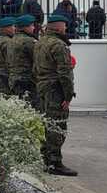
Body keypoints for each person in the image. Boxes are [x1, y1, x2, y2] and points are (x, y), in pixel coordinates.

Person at [33, 14, 78, 176]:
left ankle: (46, 158)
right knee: (57, 125)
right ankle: (55, 163)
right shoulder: (59, 45)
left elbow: (35, 69)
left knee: (46, 123)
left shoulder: (40, 42)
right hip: (55, 90)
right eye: (65, 26)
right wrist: (68, 96)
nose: (66, 29)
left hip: (43, 87)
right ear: (59, 27)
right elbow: (64, 73)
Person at [7, 15, 38, 106]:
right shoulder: (28, 41)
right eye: (32, 25)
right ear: (25, 27)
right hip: (27, 80)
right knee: (31, 107)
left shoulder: (11, 40)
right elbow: (39, 58)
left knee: (20, 107)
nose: (34, 27)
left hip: (13, 79)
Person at [0, 17, 15, 95]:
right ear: (6, 28)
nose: (15, 29)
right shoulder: (8, 42)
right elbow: (10, 61)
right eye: (13, 26)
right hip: (6, 77)